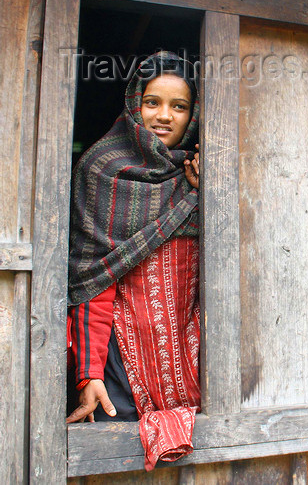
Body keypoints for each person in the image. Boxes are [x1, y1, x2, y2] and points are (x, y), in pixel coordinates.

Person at [66, 51, 202, 471]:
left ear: (194, 114)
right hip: (118, 360)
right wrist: (89, 374)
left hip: (193, 357)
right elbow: (92, 279)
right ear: (133, 105)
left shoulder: (204, 175)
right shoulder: (102, 171)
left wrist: (205, 194)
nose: (164, 116)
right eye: (152, 102)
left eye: (179, 106)